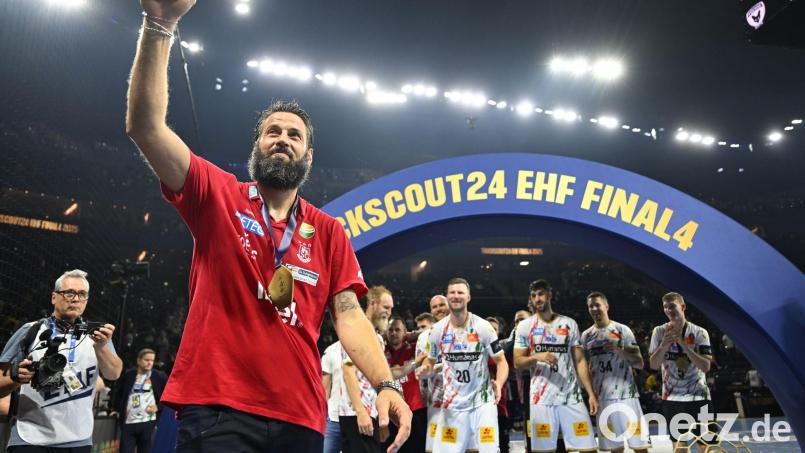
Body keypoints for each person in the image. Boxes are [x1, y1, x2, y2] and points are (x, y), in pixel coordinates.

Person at [126, 1, 411, 451]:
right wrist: (161, 23)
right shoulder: (216, 194)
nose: (283, 139)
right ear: (256, 146)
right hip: (217, 408)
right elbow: (146, 127)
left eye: (295, 135)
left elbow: (349, 314)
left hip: (299, 416)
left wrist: (386, 384)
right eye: (272, 132)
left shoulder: (328, 231)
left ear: (309, 156)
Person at [0, 269, 122, 452]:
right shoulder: (30, 331)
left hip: (78, 440)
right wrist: (15, 378)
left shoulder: (98, 337)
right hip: (30, 438)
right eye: (69, 293)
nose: (75, 299)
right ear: (54, 297)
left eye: (82, 294)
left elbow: (114, 374)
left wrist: (101, 347)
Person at [417, 278, 508, 453]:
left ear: (468, 297)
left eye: (460, 292)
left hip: (482, 404)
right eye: (452, 292)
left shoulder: (483, 327)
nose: (456, 296)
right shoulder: (437, 330)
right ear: (447, 296)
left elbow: (501, 361)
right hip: (452, 405)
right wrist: (425, 370)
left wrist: (499, 382)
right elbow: (430, 361)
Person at [513, 279, 598, 453]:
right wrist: (537, 356)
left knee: (588, 448)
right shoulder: (525, 326)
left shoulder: (569, 324)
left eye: (541, 294)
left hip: (570, 396)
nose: (537, 299)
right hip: (541, 399)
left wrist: (590, 393)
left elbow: (580, 361)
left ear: (549, 295)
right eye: (533, 295)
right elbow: (518, 362)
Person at [581, 292, 650, 453]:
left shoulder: (622, 330)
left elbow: (639, 363)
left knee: (640, 446)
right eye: (591, 306)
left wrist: (619, 351)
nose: (594, 309)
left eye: (597, 305)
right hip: (602, 398)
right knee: (615, 449)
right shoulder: (586, 336)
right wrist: (590, 394)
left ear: (606, 306)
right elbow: (583, 367)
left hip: (627, 396)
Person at [649, 292, 714, 452]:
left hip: (699, 395)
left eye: (672, 306)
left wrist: (684, 345)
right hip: (673, 397)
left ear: (683, 306)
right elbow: (653, 365)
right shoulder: (659, 332)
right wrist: (663, 345)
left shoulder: (699, 332)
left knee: (706, 445)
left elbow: (706, 366)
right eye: (665, 307)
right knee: (679, 446)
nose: (668, 310)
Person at [340, 312, 391, 453]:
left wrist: (382, 420)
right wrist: (361, 412)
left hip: (366, 413)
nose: (389, 312)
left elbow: (377, 380)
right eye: (386, 308)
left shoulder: (376, 338)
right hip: (359, 413)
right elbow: (348, 371)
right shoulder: (357, 334)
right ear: (373, 305)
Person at [110, 348, 168, 453]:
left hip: (148, 422)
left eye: (152, 360)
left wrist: (158, 406)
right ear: (139, 360)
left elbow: (168, 394)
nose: (150, 363)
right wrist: (116, 409)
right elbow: (118, 392)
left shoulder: (159, 377)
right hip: (129, 422)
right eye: (147, 360)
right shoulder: (129, 375)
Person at [385, 317, 426, 453]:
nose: (394, 333)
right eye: (390, 330)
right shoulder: (380, 351)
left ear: (405, 332)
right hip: (391, 412)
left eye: (398, 330)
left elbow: (430, 332)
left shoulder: (415, 348)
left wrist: (411, 335)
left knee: (417, 449)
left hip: (415, 409)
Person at [413, 312, 440, 453]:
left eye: (423, 327)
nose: (420, 330)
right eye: (418, 327)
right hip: (432, 402)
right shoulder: (422, 338)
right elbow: (420, 372)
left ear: (433, 324)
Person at [486, 317, 511, 453]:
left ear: (498, 332)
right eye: (488, 328)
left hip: (499, 406)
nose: (490, 331)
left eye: (494, 329)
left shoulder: (502, 351)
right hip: (478, 407)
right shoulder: (475, 350)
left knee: (502, 446)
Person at [322, 341, 345, 453]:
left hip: (360, 417)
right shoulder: (331, 350)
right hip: (334, 417)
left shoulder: (369, 344)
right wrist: (322, 417)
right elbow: (325, 388)